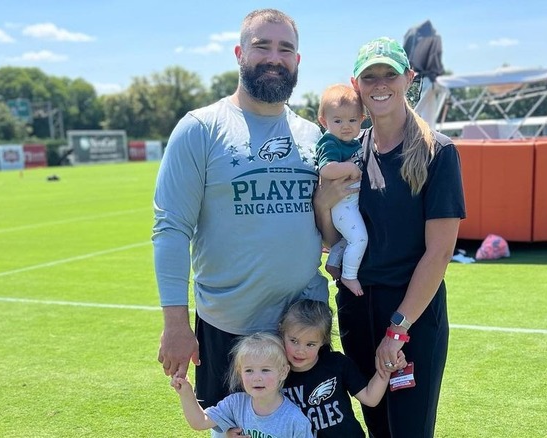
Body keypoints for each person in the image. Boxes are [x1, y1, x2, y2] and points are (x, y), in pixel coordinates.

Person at [153, 8, 344, 413]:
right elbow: (171, 229)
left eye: (285, 49)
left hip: (303, 331)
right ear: (240, 53)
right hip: (229, 332)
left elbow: (325, 232)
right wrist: (175, 323)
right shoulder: (200, 128)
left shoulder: (314, 137)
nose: (274, 57)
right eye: (262, 47)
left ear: (297, 61)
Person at [316, 37, 466, 437]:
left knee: (409, 429)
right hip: (356, 310)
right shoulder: (349, 153)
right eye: (370, 77)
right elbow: (334, 237)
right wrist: (321, 204)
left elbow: (439, 253)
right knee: (378, 425)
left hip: (410, 316)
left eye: (390, 74)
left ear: (409, 79)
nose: (380, 84)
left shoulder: (438, 152)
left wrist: (397, 330)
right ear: (356, 84)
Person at [279, 299, 404, 437]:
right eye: (294, 341)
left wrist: (386, 368)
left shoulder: (336, 364)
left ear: (323, 341)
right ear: (282, 333)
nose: (300, 350)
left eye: (310, 344)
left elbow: (370, 398)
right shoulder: (277, 375)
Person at [171, 332, 314, 437]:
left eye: (265, 370)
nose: (257, 378)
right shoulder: (236, 404)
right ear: (240, 373)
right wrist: (186, 393)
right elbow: (200, 422)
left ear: (283, 372)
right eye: (249, 370)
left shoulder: (295, 421)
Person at [315, 84, 367, 296]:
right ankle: (349, 275)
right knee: (360, 239)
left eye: (352, 120)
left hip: (349, 203)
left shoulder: (353, 142)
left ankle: (333, 263)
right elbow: (326, 169)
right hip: (342, 205)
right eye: (338, 121)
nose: (346, 126)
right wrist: (351, 168)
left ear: (362, 119)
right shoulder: (330, 142)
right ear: (324, 121)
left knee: (347, 238)